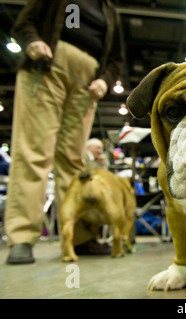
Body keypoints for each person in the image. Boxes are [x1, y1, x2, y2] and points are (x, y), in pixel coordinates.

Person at [5, 0, 124, 264]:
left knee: (73, 159)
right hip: (47, 65)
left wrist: (104, 80)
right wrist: (33, 42)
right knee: (34, 151)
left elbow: (116, 58)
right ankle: (22, 236)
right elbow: (24, 24)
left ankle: (79, 237)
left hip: (88, 80)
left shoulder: (109, 9)